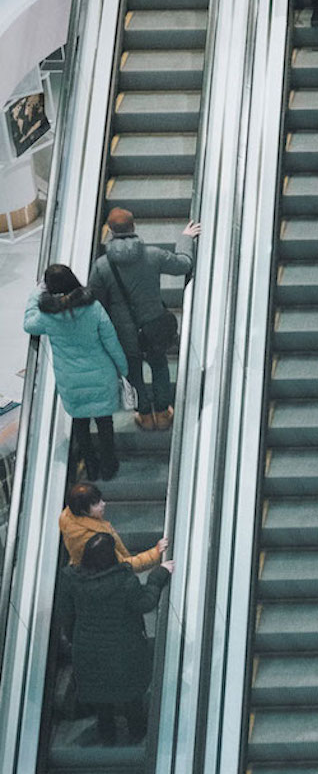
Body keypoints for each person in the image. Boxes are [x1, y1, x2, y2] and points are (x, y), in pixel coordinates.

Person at [54, 533, 171, 744]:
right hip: (123, 651)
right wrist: (157, 576)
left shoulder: (72, 581)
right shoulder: (124, 582)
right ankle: (136, 734)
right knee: (131, 695)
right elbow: (146, 603)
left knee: (101, 699)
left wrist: (74, 639)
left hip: (88, 651)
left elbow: (67, 614)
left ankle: (107, 736)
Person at [88, 208, 196, 432]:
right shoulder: (153, 255)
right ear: (133, 227)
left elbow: (96, 302)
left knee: (132, 371)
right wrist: (185, 239)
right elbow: (184, 264)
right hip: (153, 325)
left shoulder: (102, 266)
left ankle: (144, 415)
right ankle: (163, 413)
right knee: (159, 365)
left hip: (123, 333)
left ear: (109, 231)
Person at [23, 265, 126, 481]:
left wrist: (36, 294)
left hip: (70, 379)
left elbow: (28, 325)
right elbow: (111, 340)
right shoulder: (93, 307)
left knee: (80, 424)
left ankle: (91, 465)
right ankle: (109, 465)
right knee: (105, 423)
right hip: (100, 374)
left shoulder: (47, 315)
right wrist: (122, 368)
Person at [59, 482, 166, 572]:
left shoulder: (70, 518)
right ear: (83, 511)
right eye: (96, 504)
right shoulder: (93, 540)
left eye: (100, 500)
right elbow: (122, 566)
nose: (103, 504)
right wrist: (155, 554)